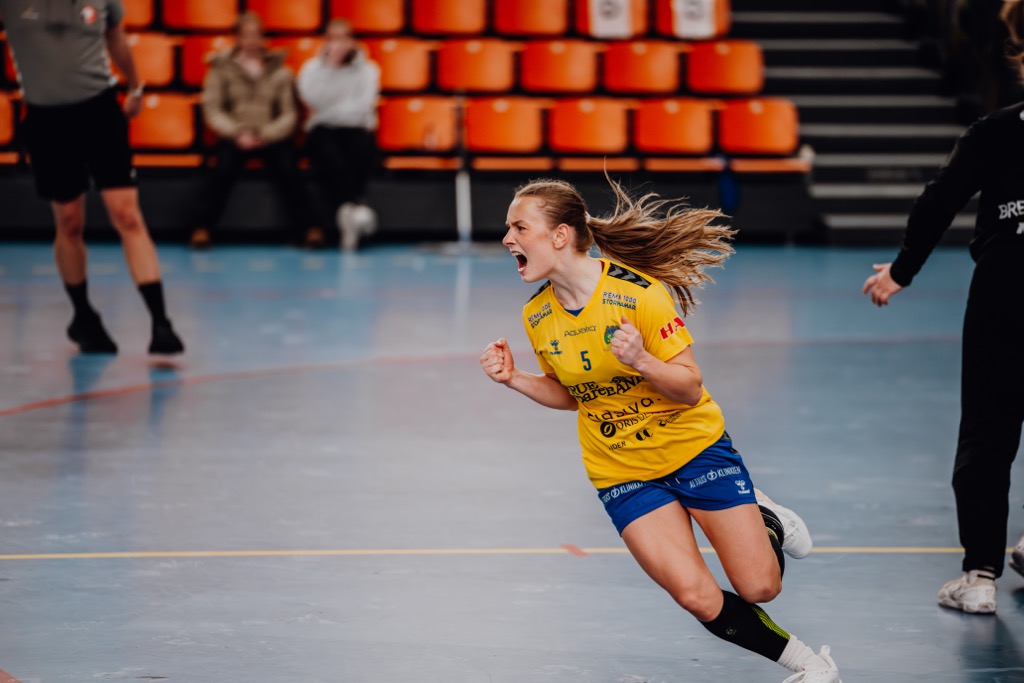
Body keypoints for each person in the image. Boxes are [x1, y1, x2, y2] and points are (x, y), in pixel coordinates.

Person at [480, 177, 842, 683]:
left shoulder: (639, 295)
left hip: (693, 449)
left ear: (560, 235)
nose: (508, 239)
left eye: (519, 227)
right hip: (620, 469)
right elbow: (573, 394)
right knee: (696, 595)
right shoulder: (537, 315)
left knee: (760, 586)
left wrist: (642, 360)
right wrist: (515, 378)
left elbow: (690, 387)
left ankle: (767, 517)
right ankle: (808, 665)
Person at [862, 1, 1024, 614]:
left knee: (987, 431)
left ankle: (980, 577)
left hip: (1005, 292)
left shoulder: (996, 131)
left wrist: (901, 271)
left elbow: (937, 201)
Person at [0, 0, 184, 355]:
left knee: (127, 215)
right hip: (47, 121)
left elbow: (116, 38)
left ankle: (161, 323)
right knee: (69, 221)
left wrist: (135, 87)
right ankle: (83, 316)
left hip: (98, 112)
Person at [191, 12, 323, 250]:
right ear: (237, 38)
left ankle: (311, 228)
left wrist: (266, 134)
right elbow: (213, 110)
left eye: (256, 35)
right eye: (246, 35)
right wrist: (237, 133)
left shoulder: (281, 71)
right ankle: (202, 228)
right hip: (235, 136)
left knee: (290, 169)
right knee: (221, 170)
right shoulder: (219, 69)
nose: (251, 40)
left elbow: (289, 114)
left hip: (270, 136)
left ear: (262, 37)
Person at [296, 18, 380, 251]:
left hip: (356, 129)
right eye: (334, 39)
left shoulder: (369, 70)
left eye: (344, 38)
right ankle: (355, 209)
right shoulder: (312, 70)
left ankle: (346, 213)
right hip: (323, 131)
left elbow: (361, 108)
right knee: (328, 154)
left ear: (352, 41)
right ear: (326, 42)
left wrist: (329, 112)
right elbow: (312, 100)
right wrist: (330, 68)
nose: (339, 44)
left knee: (362, 149)